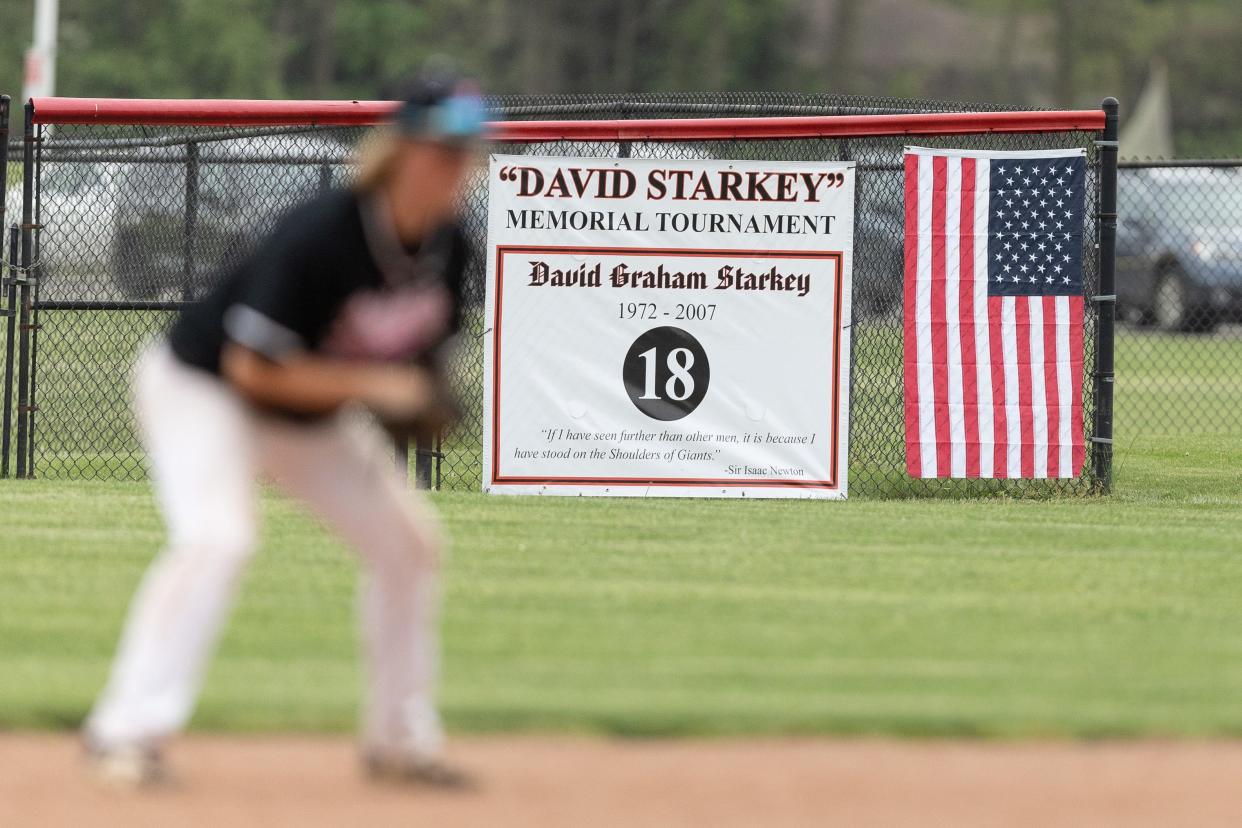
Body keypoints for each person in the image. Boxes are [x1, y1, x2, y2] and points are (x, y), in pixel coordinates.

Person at [83, 72, 485, 788]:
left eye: (464, 153)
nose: (452, 167)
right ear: (400, 152)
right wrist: (374, 387)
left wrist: (415, 398)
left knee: (409, 546)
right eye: (438, 150)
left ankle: (400, 740)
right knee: (219, 537)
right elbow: (252, 368)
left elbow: (416, 373)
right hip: (204, 388)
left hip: (311, 417)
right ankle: (126, 731)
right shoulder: (327, 231)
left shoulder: (450, 251)